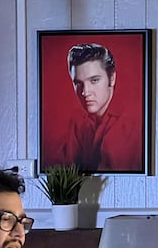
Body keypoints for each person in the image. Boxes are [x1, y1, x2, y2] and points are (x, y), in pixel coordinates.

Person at [59, 42, 144, 172]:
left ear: (112, 78)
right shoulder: (78, 124)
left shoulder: (130, 125)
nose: (85, 92)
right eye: (78, 83)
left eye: (94, 80)